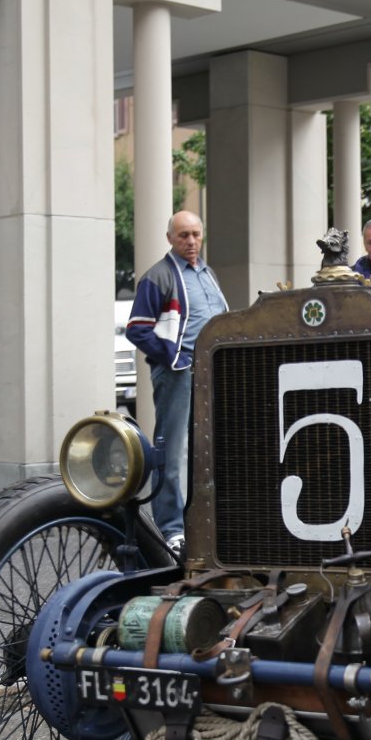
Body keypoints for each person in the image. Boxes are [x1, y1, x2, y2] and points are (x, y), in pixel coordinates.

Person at [125, 211, 228, 556]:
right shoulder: (158, 276)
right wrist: (174, 358)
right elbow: (137, 329)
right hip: (178, 373)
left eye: (196, 234)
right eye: (183, 235)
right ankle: (171, 529)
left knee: (207, 448)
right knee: (173, 451)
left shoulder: (207, 273)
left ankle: (200, 522)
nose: (191, 241)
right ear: (170, 238)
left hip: (210, 373)